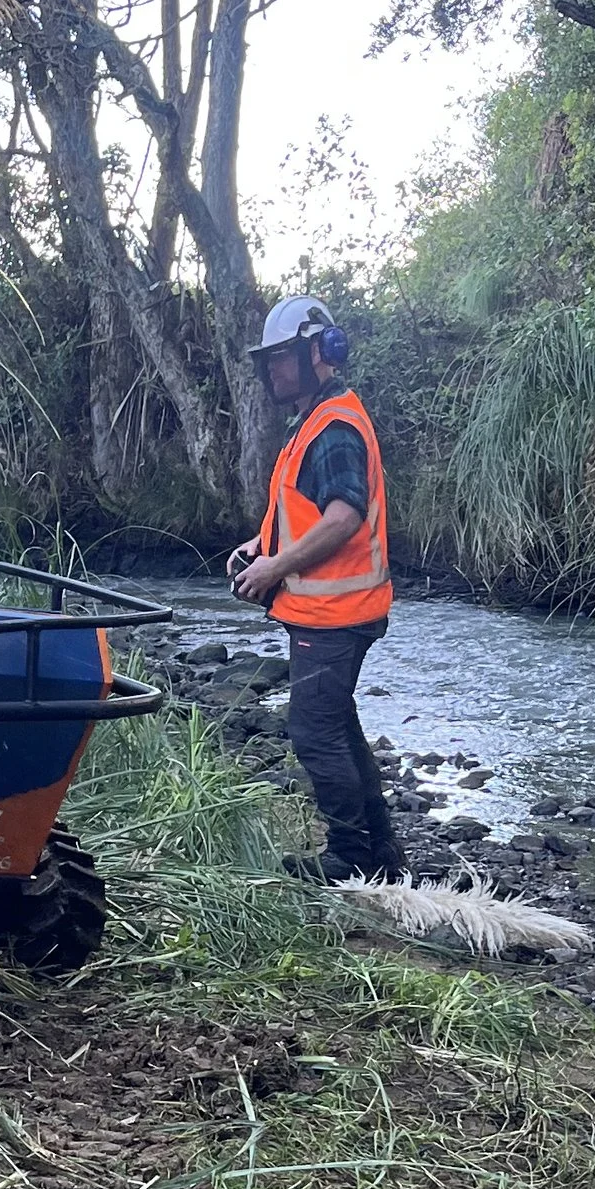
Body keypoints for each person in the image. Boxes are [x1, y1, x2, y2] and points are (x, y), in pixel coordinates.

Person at [223, 294, 408, 883]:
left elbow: (343, 517)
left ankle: (349, 857)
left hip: (337, 613)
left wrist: (274, 571)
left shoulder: (332, 427)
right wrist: (262, 548)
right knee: (338, 725)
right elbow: (301, 513)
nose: (273, 370)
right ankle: (380, 852)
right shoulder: (315, 422)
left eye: (282, 357)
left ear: (319, 354)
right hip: (333, 611)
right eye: (269, 360)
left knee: (314, 730)